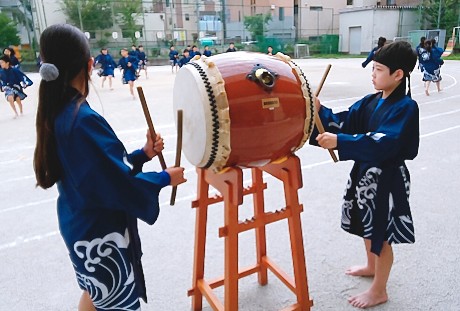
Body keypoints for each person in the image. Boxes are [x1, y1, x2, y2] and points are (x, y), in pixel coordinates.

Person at [33, 24, 186, 311]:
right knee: (112, 297)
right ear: (89, 65)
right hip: (99, 233)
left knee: (94, 292)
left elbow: (102, 168)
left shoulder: (59, 112)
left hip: (79, 222)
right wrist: (165, 177)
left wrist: (143, 154)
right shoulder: (82, 119)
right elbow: (117, 181)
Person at [310, 41, 419, 309]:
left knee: (380, 233)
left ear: (398, 74)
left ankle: (379, 290)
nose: (373, 74)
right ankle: (372, 266)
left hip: (387, 177)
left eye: (379, 69)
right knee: (368, 224)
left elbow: (384, 141)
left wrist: (341, 142)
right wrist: (318, 111)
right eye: (373, 68)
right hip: (364, 172)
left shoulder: (406, 107)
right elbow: (343, 122)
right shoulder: (370, 102)